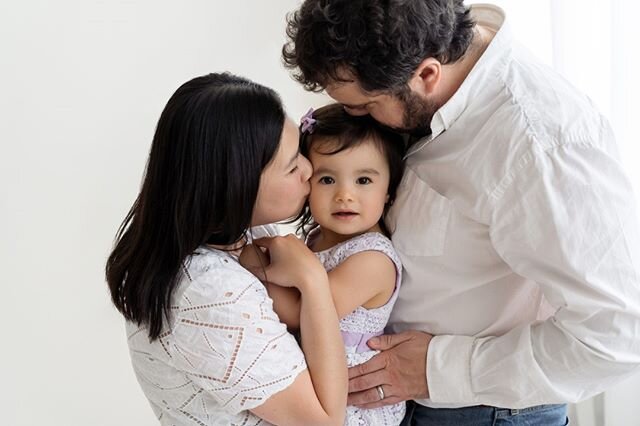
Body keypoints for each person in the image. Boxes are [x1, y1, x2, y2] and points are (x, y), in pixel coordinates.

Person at [282, 1, 640, 425]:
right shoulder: (427, 99)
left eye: (364, 106)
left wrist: (439, 368)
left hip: (486, 411)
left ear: (427, 75)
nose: (354, 117)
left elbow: (619, 336)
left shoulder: (542, 145)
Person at [105, 72, 348, 426]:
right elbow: (325, 422)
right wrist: (312, 280)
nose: (309, 170)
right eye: (293, 165)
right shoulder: (208, 291)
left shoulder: (229, 238)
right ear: (236, 186)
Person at [241, 103, 407, 425]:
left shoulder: (373, 258)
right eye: (328, 179)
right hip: (315, 386)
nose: (345, 195)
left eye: (363, 181)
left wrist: (253, 264)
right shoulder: (316, 239)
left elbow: (303, 311)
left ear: (389, 191)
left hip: (354, 402)